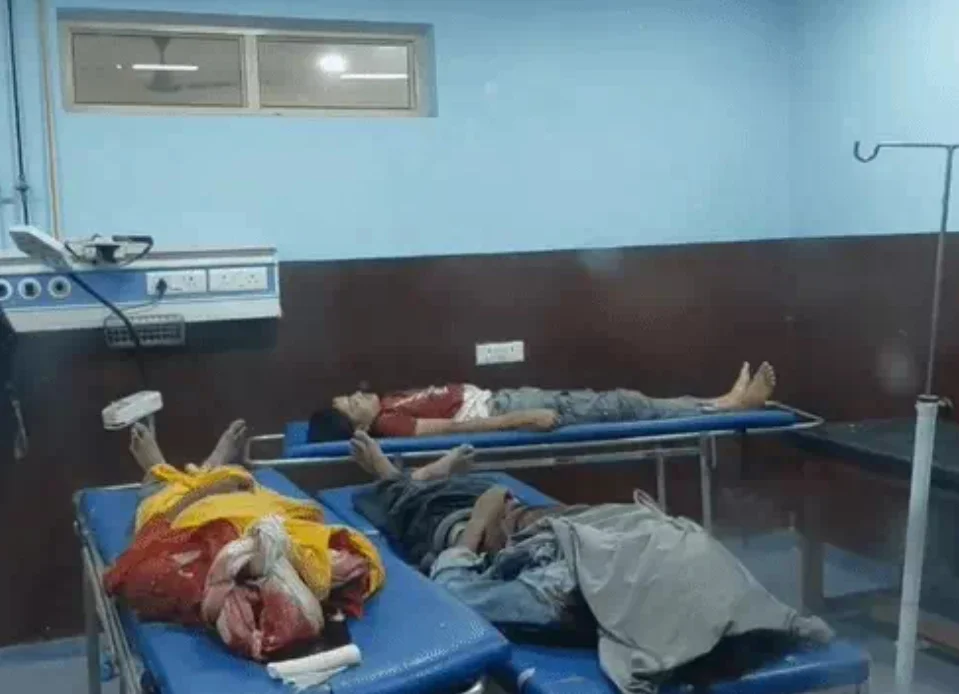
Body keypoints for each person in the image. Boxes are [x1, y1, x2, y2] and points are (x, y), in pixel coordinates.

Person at [348, 430, 834, 693]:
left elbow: (454, 593)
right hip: (562, 524)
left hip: (500, 527)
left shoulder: (564, 587)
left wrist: (480, 522)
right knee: (468, 500)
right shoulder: (667, 546)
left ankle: (403, 480)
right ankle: (419, 480)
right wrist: (511, 513)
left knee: (430, 518)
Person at [309, 361, 776, 442]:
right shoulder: (388, 426)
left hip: (504, 399)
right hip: (508, 409)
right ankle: (725, 409)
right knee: (626, 405)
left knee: (626, 401)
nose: (358, 394)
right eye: (352, 403)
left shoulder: (387, 405)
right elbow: (455, 429)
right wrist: (523, 418)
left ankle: (720, 402)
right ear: (359, 428)